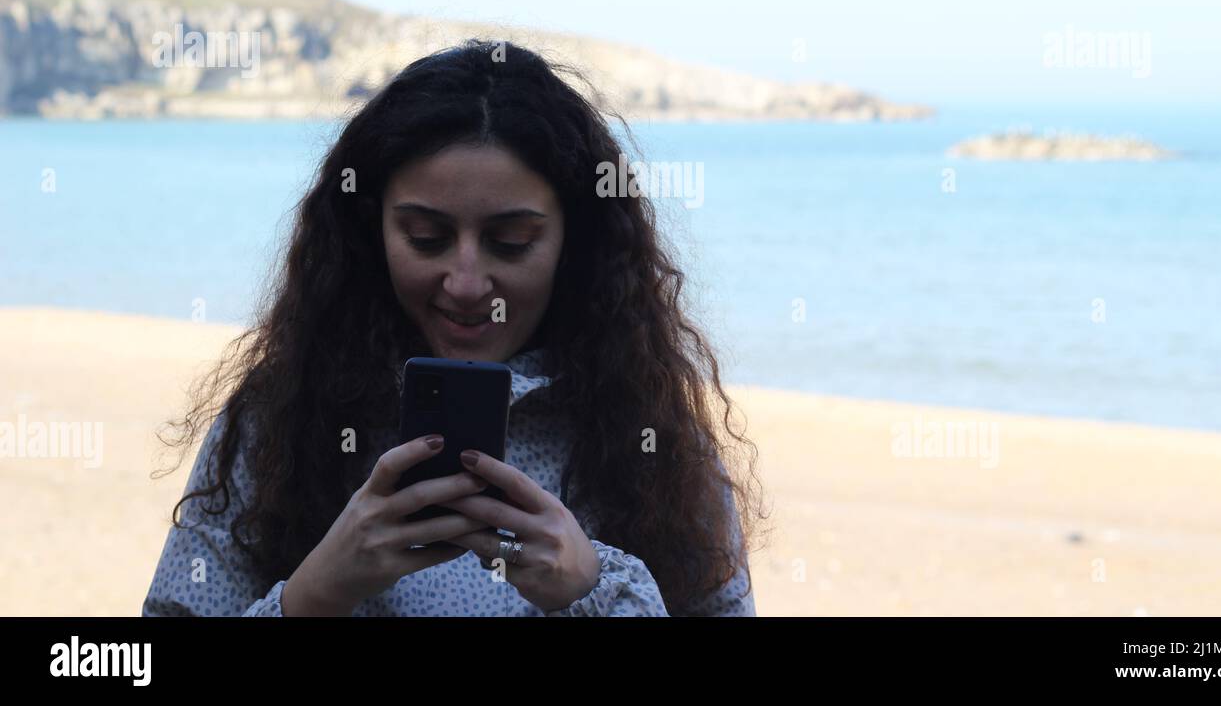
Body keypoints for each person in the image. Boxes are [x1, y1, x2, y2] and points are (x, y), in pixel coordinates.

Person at [142, 39, 766, 616]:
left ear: (576, 243)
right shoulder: (279, 417)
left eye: (511, 242)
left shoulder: (652, 432)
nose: (466, 284)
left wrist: (593, 591)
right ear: (369, 230)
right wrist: (312, 595)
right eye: (426, 238)